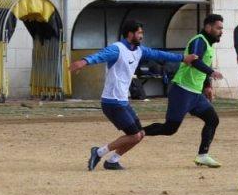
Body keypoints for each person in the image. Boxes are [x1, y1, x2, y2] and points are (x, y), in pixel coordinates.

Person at [70, 20, 195, 171]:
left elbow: (159, 54)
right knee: (135, 135)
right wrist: (84, 61)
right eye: (139, 33)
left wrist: (183, 58)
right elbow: (100, 55)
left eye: (142, 33)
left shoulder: (139, 50)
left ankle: (113, 161)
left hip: (123, 101)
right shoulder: (117, 49)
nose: (142, 36)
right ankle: (98, 152)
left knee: (140, 134)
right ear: (130, 34)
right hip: (112, 102)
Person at [142, 14, 226, 167]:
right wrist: (211, 72)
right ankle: (136, 133)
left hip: (195, 93)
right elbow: (194, 60)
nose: (221, 31)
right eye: (218, 28)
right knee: (170, 129)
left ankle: (202, 155)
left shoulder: (208, 44)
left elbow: (202, 63)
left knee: (212, 120)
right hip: (182, 90)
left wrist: (207, 85)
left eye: (222, 28)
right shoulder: (199, 40)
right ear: (208, 27)